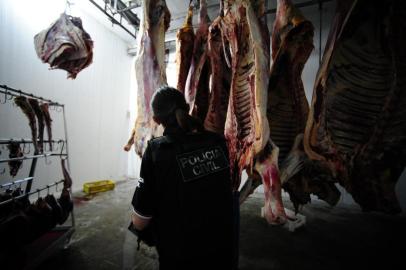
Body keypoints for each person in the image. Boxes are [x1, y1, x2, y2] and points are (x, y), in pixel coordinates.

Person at [130, 86, 237, 269]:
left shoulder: (157, 152)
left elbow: (140, 222)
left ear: (156, 120)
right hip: (223, 252)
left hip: (180, 256)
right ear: (187, 108)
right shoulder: (219, 142)